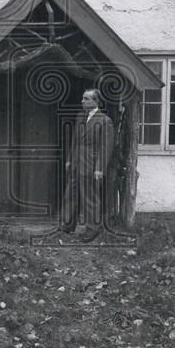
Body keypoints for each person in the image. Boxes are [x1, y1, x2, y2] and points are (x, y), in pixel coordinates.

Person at [60, 88, 115, 241]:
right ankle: (67, 225)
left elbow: (106, 147)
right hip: (77, 161)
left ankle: (93, 229)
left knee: (90, 197)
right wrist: (70, 159)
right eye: (83, 98)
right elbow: (75, 140)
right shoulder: (80, 117)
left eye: (86, 99)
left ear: (96, 102)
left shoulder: (105, 121)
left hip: (91, 164)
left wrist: (99, 168)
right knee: (71, 193)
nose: (82, 101)